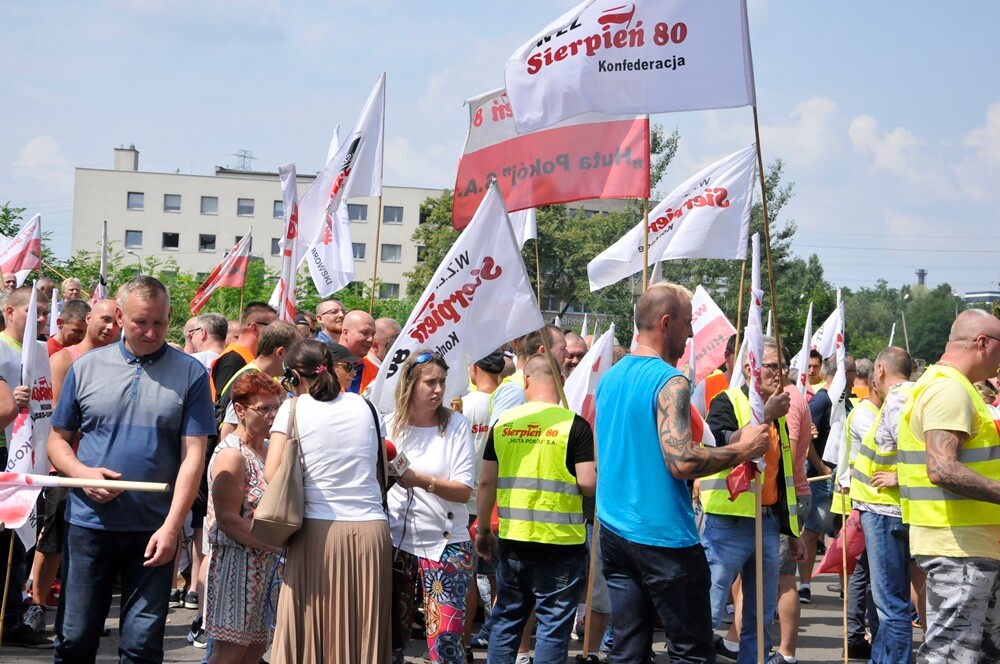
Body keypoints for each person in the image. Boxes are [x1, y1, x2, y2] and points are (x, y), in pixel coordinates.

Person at [594, 283, 770, 663]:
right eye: (688, 324)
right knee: (691, 652)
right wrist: (743, 450)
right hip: (663, 539)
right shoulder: (670, 381)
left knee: (627, 649)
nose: (691, 333)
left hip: (615, 531)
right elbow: (682, 463)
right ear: (666, 322)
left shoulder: (609, 378)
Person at [47, 276, 216, 662]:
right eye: (141, 322)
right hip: (89, 525)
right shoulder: (85, 367)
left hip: (154, 528)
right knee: (74, 638)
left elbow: (194, 456)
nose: (151, 332)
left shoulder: (190, 373)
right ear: (120, 316)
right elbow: (57, 441)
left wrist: (173, 527)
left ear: (170, 316)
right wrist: (82, 473)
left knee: (142, 646)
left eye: (159, 322)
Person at [265, 339, 390, 663]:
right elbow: (380, 467)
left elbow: (272, 473)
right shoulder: (367, 407)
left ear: (293, 376)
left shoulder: (292, 409)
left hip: (318, 532)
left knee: (309, 637)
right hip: (372, 534)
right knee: (362, 639)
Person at [475, 354, 596, 664]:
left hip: (514, 540)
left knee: (507, 621)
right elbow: (588, 483)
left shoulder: (503, 424)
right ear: (562, 382)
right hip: (560, 543)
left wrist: (484, 531)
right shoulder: (574, 425)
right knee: (552, 628)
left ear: (526, 381)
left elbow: (487, 482)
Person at [897, 309, 1000, 663]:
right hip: (958, 546)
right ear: (983, 343)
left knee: (976, 653)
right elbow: (942, 469)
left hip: (966, 544)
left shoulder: (951, 387)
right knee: (951, 655)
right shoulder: (949, 390)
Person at [701, 337, 804, 664]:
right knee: (710, 608)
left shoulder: (782, 409)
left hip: (768, 522)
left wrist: (793, 529)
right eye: (772, 366)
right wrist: (765, 417)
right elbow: (718, 445)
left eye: (783, 366)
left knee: (760, 615)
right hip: (728, 521)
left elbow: (782, 471)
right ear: (750, 368)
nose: (780, 372)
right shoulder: (727, 400)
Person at [30, 299, 121, 618]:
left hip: (103, 465)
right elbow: (56, 419)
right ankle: (37, 603)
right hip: (67, 466)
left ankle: (77, 608)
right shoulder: (65, 359)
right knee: (54, 536)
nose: (111, 327)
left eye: (117, 321)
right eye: (106, 319)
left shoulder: (118, 361)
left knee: (89, 541)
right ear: (89, 318)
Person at [386, 350, 476, 664]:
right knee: (390, 641)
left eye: (442, 382)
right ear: (410, 384)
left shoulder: (456, 425)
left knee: (446, 643)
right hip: (397, 545)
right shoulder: (389, 425)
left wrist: (418, 479)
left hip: (447, 545)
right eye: (430, 382)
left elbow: (464, 490)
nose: (438, 389)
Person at [204, 371, 283, 664]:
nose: (272, 415)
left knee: (255, 650)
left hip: (264, 565)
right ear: (240, 410)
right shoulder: (232, 454)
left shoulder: (265, 448)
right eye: (264, 409)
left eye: (276, 407)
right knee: (229, 653)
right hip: (237, 565)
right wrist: (278, 546)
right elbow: (228, 519)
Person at [850, 346, 916, 663]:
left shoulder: (897, 399)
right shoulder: (912, 395)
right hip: (891, 511)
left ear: (879, 370)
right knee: (893, 600)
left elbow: (920, 450)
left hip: (886, 512)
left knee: (890, 603)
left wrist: (900, 477)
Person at [0, 285, 53, 647]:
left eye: (45, 313)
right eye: (34, 312)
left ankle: (13, 617)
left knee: (20, 542)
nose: (41, 319)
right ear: (9, 312)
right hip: (6, 452)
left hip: (30, 455)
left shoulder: (40, 351)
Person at [798, 354, 856, 604]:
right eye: (852, 370)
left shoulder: (848, 403)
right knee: (812, 531)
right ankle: (805, 585)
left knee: (845, 532)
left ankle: (847, 589)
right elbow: (804, 434)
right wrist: (821, 466)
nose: (857, 375)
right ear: (842, 374)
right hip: (823, 478)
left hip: (844, 478)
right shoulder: (823, 400)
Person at [460, 350, 505, 657]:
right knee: (499, 578)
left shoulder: (463, 405)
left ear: (474, 369)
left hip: (467, 501)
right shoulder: (508, 404)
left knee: (468, 577)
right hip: (498, 504)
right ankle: (500, 638)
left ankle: (462, 641)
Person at [490, 326, 568, 425]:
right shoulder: (516, 390)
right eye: (562, 349)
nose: (567, 354)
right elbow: (496, 433)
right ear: (543, 351)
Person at [210, 302, 277, 400]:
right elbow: (226, 405)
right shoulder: (233, 360)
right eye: (273, 328)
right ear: (254, 328)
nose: (277, 332)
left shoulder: (249, 357)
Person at [339, 310, 377, 393]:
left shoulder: (376, 371)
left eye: (373, 334)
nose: (371, 339)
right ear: (346, 333)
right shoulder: (323, 366)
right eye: (365, 333)